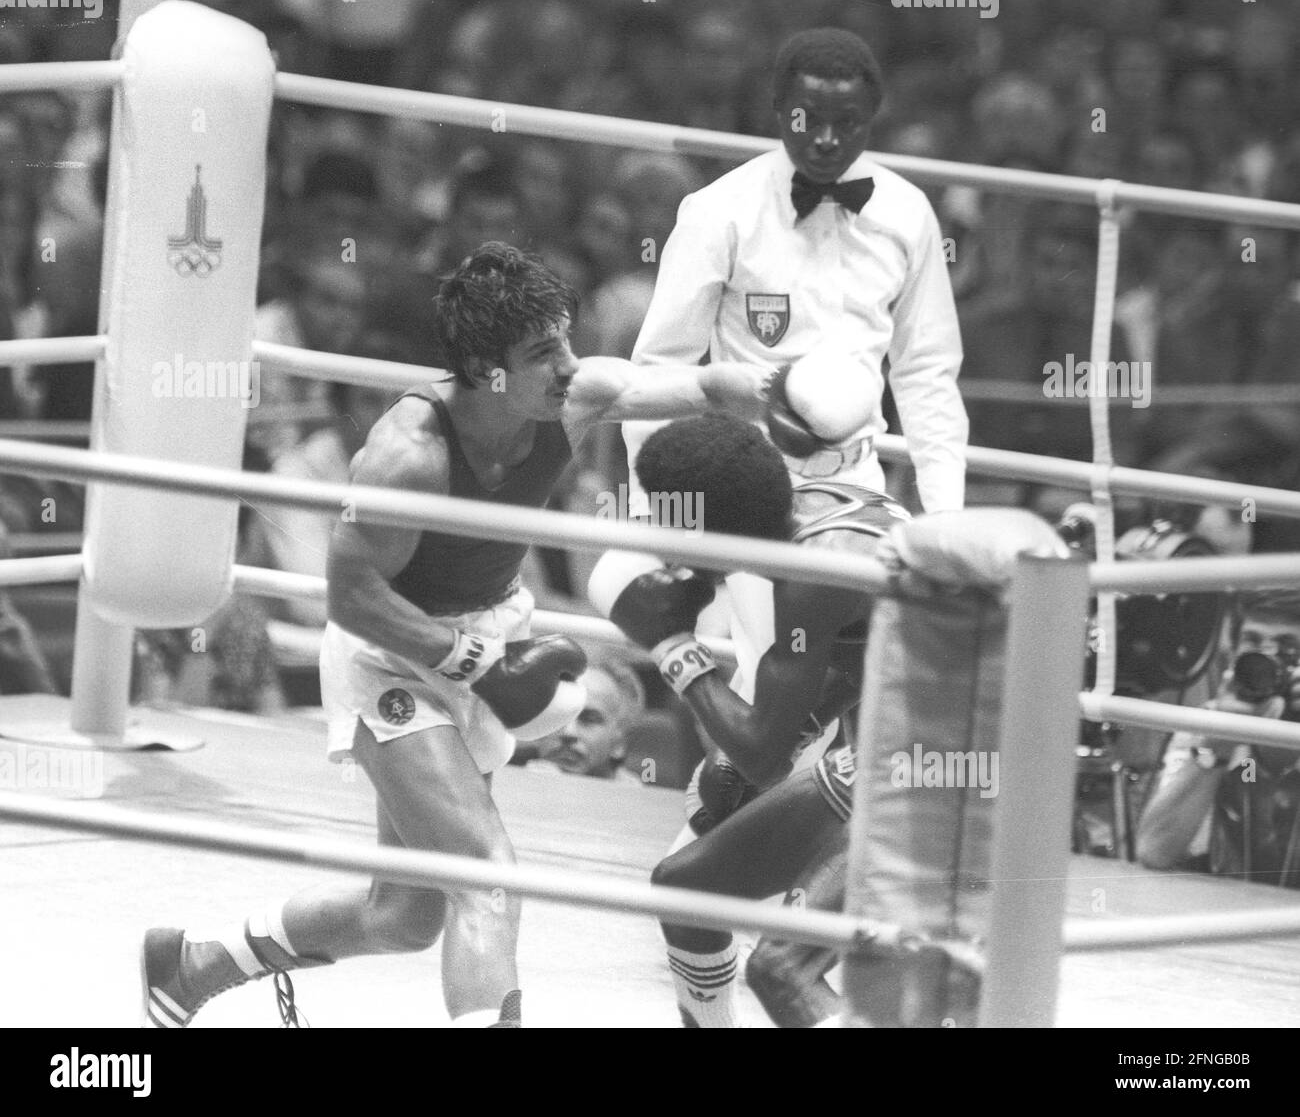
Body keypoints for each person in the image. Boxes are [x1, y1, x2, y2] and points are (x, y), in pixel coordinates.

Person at [139, 242, 807, 1029]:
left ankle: (195, 964)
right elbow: (352, 597)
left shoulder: (570, 397)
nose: (567, 364)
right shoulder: (406, 456)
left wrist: (784, 389)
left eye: (564, 338)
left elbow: (698, 386)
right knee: (488, 876)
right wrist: (471, 661)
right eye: (541, 353)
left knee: (405, 916)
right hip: (392, 657)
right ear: (486, 368)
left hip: (486, 634)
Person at [590, 415, 1060, 1027]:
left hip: (953, 774)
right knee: (685, 890)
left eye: (669, 515)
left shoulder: (816, 572)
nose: (660, 534)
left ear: (703, 522)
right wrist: (800, 723)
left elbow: (762, 754)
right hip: (916, 749)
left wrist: (672, 645)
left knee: (782, 968)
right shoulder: (825, 506)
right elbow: (867, 652)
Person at [622, 26, 967, 515]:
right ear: (780, 108)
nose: (827, 140)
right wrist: (652, 509)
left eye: (847, 122)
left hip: (863, 484)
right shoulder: (719, 210)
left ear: (872, 118)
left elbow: (926, 371)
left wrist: (946, 518)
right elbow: (661, 368)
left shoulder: (907, 213)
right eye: (809, 119)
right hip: (742, 481)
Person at [1136, 590, 1300, 885]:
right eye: (1252, 641)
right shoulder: (1208, 723)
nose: (1267, 658)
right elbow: (1156, 850)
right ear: (1233, 655)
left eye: (1287, 647)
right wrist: (1217, 746)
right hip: (1230, 914)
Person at [514, 655, 647, 781]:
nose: (568, 732)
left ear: (620, 743)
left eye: (589, 719)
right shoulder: (508, 775)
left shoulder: (639, 801)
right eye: (558, 716)